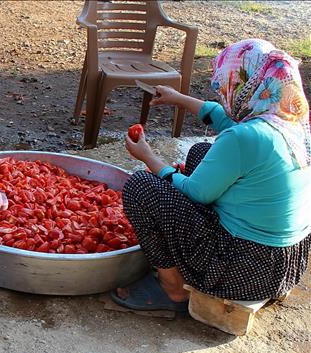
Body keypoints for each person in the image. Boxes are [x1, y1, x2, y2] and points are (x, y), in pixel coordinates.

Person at [112, 39, 311, 312]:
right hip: (284, 265)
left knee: (142, 186)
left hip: (242, 270)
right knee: (200, 152)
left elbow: (196, 192)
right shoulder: (291, 121)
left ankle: (173, 290)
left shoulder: (244, 137)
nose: (223, 93)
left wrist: (148, 157)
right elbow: (227, 120)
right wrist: (177, 98)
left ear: (244, 85)